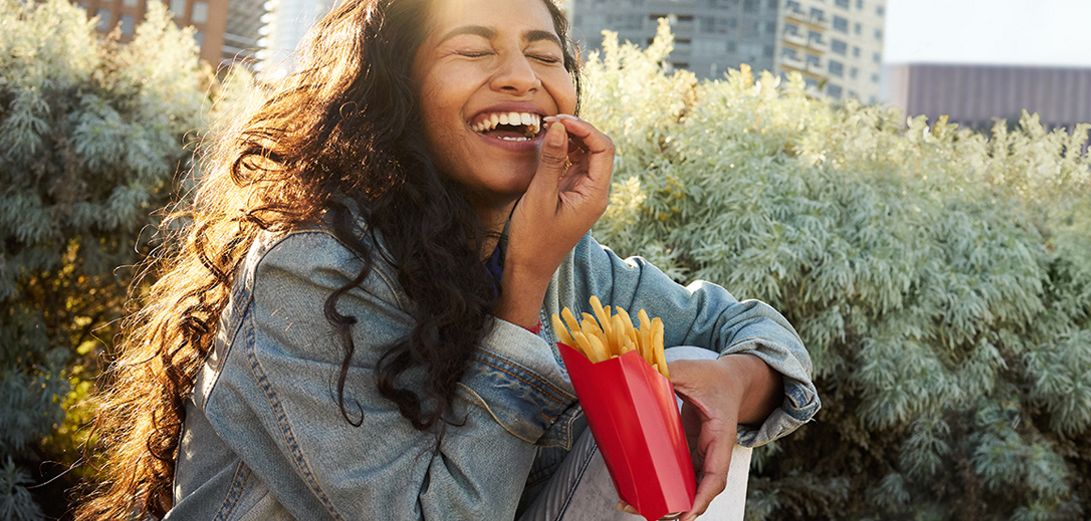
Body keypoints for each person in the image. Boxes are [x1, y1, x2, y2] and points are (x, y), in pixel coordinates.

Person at [78, 0, 820, 519]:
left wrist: (733, 382)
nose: (520, 76)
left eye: (544, 54)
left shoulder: (573, 264)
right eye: (471, 49)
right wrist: (522, 292)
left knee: (682, 364)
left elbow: (751, 327)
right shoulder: (307, 272)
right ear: (394, 92)